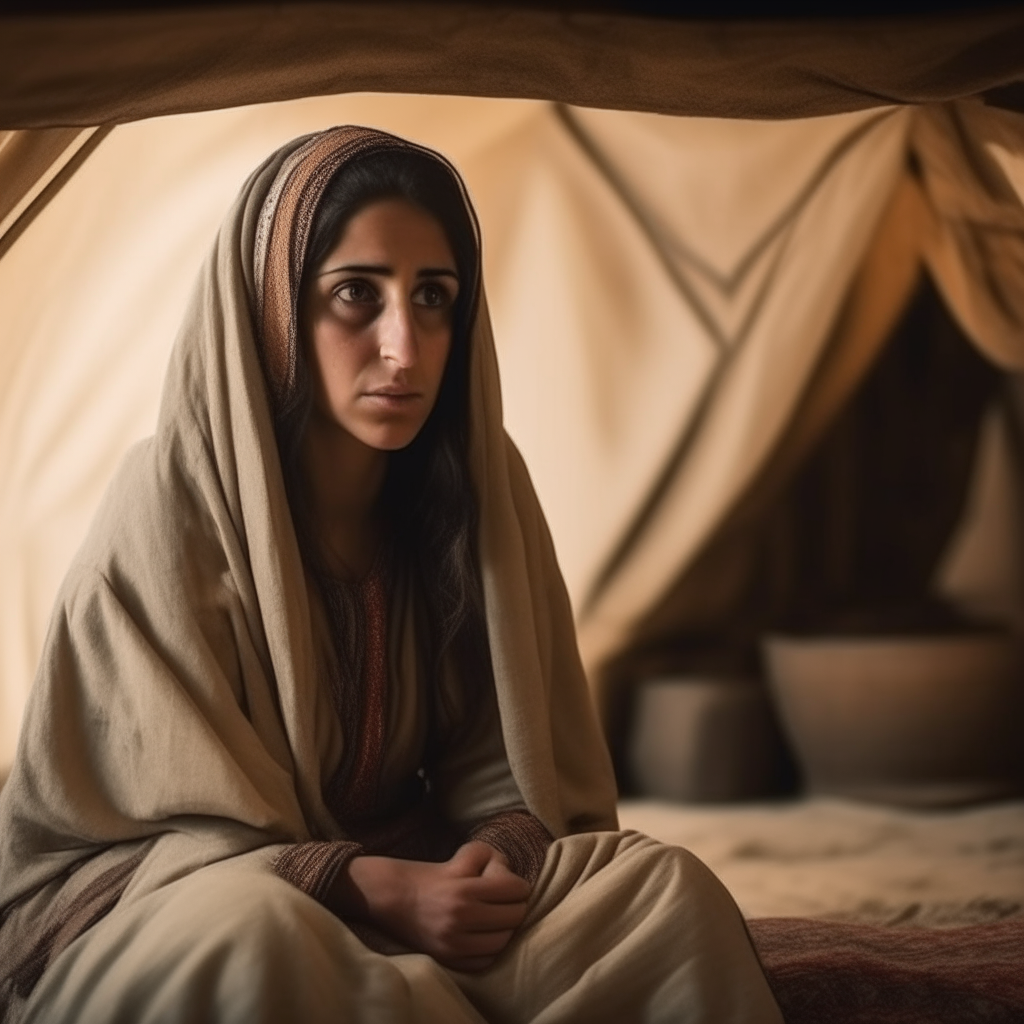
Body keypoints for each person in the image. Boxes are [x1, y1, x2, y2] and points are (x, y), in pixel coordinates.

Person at [0, 126, 782, 1024]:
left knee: (656, 891)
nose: (404, 347)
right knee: (257, 941)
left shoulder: (477, 488)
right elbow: (136, 842)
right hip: (185, 901)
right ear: (271, 307)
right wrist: (368, 888)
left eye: (435, 298)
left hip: (416, 877)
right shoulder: (172, 503)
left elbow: (512, 766)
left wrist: (490, 858)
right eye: (355, 295)